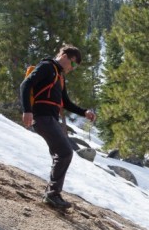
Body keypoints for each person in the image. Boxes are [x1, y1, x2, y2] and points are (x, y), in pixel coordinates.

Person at [20, 45, 96, 210]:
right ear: (65, 56)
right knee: (65, 152)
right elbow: (26, 84)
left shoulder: (59, 76)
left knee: (61, 153)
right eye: (73, 64)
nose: (72, 68)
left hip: (49, 118)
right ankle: (52, 194)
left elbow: (66, 102)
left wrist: (84, 112)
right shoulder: (47, 67)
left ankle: (52, 193)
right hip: (42, 117)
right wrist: (27, 110)